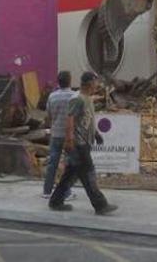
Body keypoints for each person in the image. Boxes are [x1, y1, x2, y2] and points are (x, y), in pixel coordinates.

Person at [48, 71, 118, 215]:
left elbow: (88, 119)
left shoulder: (88, 99)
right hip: (78, 144)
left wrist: (96, 134)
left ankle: (55, 201)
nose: (97, 85)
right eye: (96, 82)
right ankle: (100, 205)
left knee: (71, 174)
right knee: (88, 173)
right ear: (90, 83)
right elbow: (70, 119)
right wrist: (69, 140)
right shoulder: (77, 98)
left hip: (84, 141)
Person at [42, 71, 77, 200]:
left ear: (58, 81)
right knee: (68, 165)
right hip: (69, 135)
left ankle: (47, 191)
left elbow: (49, 116)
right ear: (70, 81)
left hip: (56, 134)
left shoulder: (52, 96)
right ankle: (65, 192)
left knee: (52, 163)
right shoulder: (74, 96)